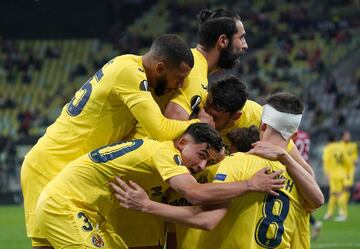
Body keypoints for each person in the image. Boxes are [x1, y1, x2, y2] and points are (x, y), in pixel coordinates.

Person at [20, 34, 215, 249]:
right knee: (46, 245)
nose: (179, 86)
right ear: (159, 68)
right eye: (178, 79)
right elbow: (159, 129)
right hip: (50, 164)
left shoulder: (128, 67)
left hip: (74, 168)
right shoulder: (130, 74)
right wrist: (197, 124)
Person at [113, 92, 324, 249]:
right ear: (294, 137)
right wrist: (286, 157)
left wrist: (147, 205)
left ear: (262, 126)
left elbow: (205, 219)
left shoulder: (233, 165)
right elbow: (318, 201)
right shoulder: (298, 177)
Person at [34, 123, 285, 249]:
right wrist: (251, 184)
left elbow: (200, 214)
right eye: (200, 154)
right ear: (182, 142)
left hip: (85, 211)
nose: (200, 165)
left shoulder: (162, 162)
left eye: (208, 161)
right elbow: (195, 194)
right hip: (66, 207)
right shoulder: (165, 154)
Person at [292, 130, 322, 240]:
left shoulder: (292, 132)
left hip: (295, 165)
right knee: (303, 200)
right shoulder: (306, 134)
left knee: (295, 200)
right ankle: (313, 223)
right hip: (306, 166)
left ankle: (311, 223)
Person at [323, 133, 351, 221]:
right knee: (334, 194)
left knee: (338, 194)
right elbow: (347, 161)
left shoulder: (328, 148)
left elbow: (326, 161)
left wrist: (327, 174)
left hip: (333, 175)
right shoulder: (341, 146)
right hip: (342, 173)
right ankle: (329, 213)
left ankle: (343, 214)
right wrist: (348, 172)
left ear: (328, 141)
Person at [340, 130, 358, 212]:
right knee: (343, 190)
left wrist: (355, 160)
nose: (348, 137)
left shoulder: (353, 145)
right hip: (341, 170)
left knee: (346, 189)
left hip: (350, 171)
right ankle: (342, 210)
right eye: (346, 135)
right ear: (342, 136)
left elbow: (355, 156)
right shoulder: (339, 146)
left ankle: (343, 210)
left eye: (349, 135)